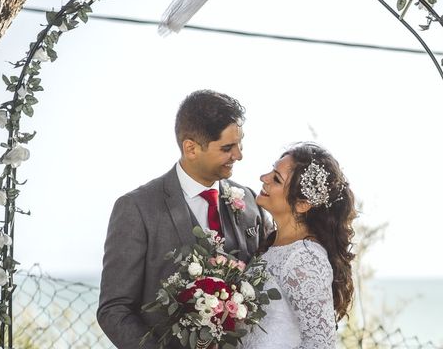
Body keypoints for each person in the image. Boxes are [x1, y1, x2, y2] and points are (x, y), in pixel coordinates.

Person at [97, 90, 269, 349]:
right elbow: (114, 309)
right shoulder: (137, 208)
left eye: (240, 143)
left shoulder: (248, 200)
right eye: (227, 148)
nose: (239, 155)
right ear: (191, 148)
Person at [242, 142, 357, 349]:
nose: (264, 178)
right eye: (271, 171)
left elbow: (320, 344)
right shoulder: (272, 245)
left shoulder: (305, 258)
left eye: (276, 179)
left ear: (303, 204)